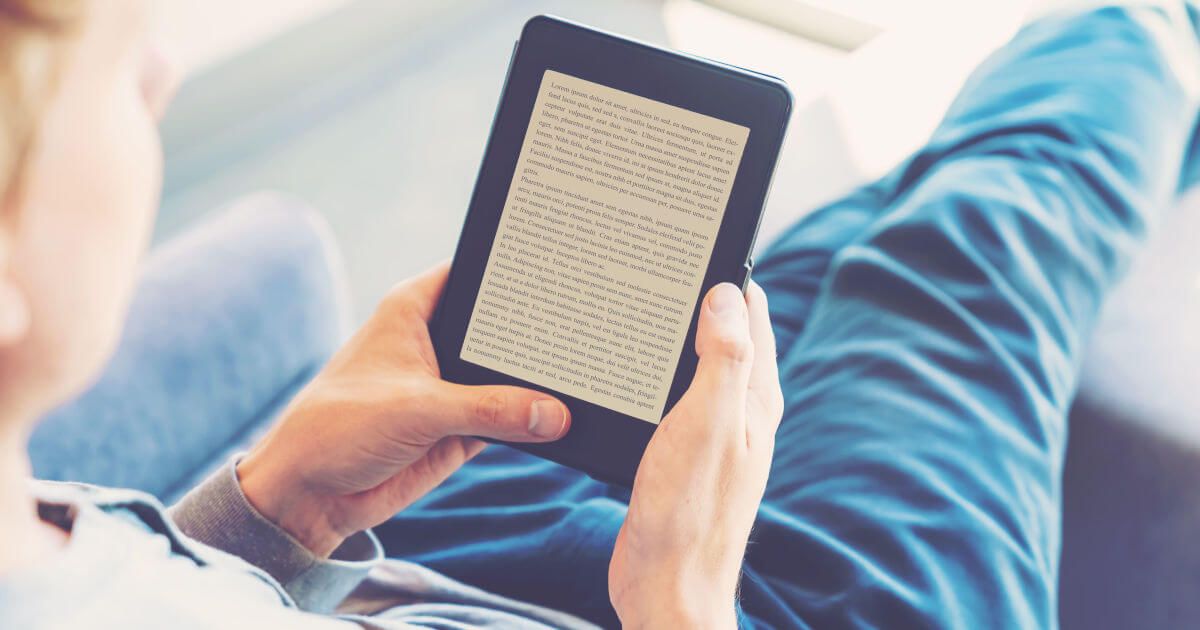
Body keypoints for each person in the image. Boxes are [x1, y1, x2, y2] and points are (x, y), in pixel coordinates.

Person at [1, 0, 1197, 628]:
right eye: (114, 67)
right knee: (957, 259)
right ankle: (1150, 32)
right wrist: (680, 604)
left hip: (391, 559)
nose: (159, 76)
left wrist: (274, 510)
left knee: (793, 280)